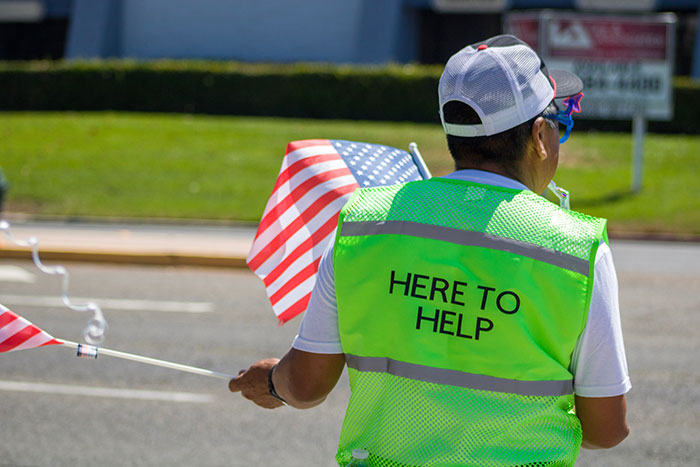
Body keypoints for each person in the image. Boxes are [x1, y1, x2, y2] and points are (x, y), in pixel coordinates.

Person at [229, 34, 630, 466]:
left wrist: (271, 381)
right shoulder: (575, 249)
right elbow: (606, 429)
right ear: (538, 135)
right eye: (559, 126)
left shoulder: (365, 223)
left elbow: (306, 386)